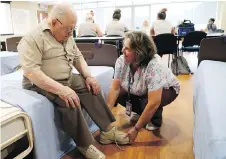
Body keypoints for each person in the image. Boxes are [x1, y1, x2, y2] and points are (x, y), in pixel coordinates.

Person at [17, 3, 129, 159]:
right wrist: (62, 90)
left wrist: (88, 76)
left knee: (92, 87)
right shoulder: (32, 38)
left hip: (67, 77)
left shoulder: (66, 34)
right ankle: (85, 145)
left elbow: (77, 57)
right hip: (40, 82)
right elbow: (31, 72)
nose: (71, 33)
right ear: (54, 22)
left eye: (73, 28)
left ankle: (107, 131)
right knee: (69, 100)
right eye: (68, 29)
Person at [106, 31, 180, 144]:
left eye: (127, 49)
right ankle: (142, 113)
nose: (122, 51)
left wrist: (136, 129)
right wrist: (106, 116)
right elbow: (115, 88)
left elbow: (153, 102)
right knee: (117, 95)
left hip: (167, 90)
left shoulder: (154, 65)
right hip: (141, 88)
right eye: (123, 47)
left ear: (139, 52)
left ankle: (155, 119)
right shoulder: (121, 61)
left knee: (148, 102)